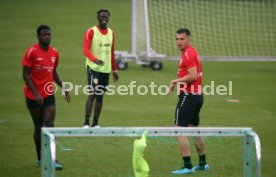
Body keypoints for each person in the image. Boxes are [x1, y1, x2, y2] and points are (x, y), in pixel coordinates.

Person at [22, 25, 70, 170]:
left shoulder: (54, 52)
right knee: (39, 127)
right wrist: (36, 93)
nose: (47, 36)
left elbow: (54, 72)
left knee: (49, 124)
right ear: (38, 36)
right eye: (44, 34)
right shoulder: (31, 52)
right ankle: (40, 158)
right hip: (32, 96)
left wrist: (63, 86)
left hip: (49, 94)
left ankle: (52, 159)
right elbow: (25, 74)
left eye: (49, 34)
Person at [166, 28, 209, 174]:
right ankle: (202, 163)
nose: (179, 42)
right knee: (194, 129)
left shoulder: (188, 54)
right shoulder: (190, 52)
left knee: (178, 129)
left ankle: (188, 166)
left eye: (182, 39)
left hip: (189, 97)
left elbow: (193, 75)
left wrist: (174, 81)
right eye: (177, 39)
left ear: (188, 40)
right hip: (197, 97)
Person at [83, 9, 119, 128]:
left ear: (108, 18)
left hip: (105, 70)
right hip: (93, 67)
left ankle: (95, 123)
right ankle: (86, 123)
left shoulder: (111, 33)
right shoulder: (91, 31)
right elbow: (86, 50)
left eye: (106, 17)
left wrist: (114, 70)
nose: (104, 18)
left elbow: (112, 53)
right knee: (93, 93)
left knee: (100, 96)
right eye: (101, 16)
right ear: (97, 18)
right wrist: (95, 60)